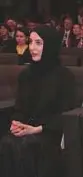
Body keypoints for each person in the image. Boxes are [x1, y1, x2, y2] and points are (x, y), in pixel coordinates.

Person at [0, 26, 76, 177]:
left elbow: (65, 114)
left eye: (38, 43)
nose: (32, 48)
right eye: (30, 42)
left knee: (27, 145)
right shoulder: (25, 75)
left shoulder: (65, 76)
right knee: (7, 143)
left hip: (50, 132)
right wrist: (17, 123)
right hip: (27, 128)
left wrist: (35, 129)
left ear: (50, 46)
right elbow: (20, 107)